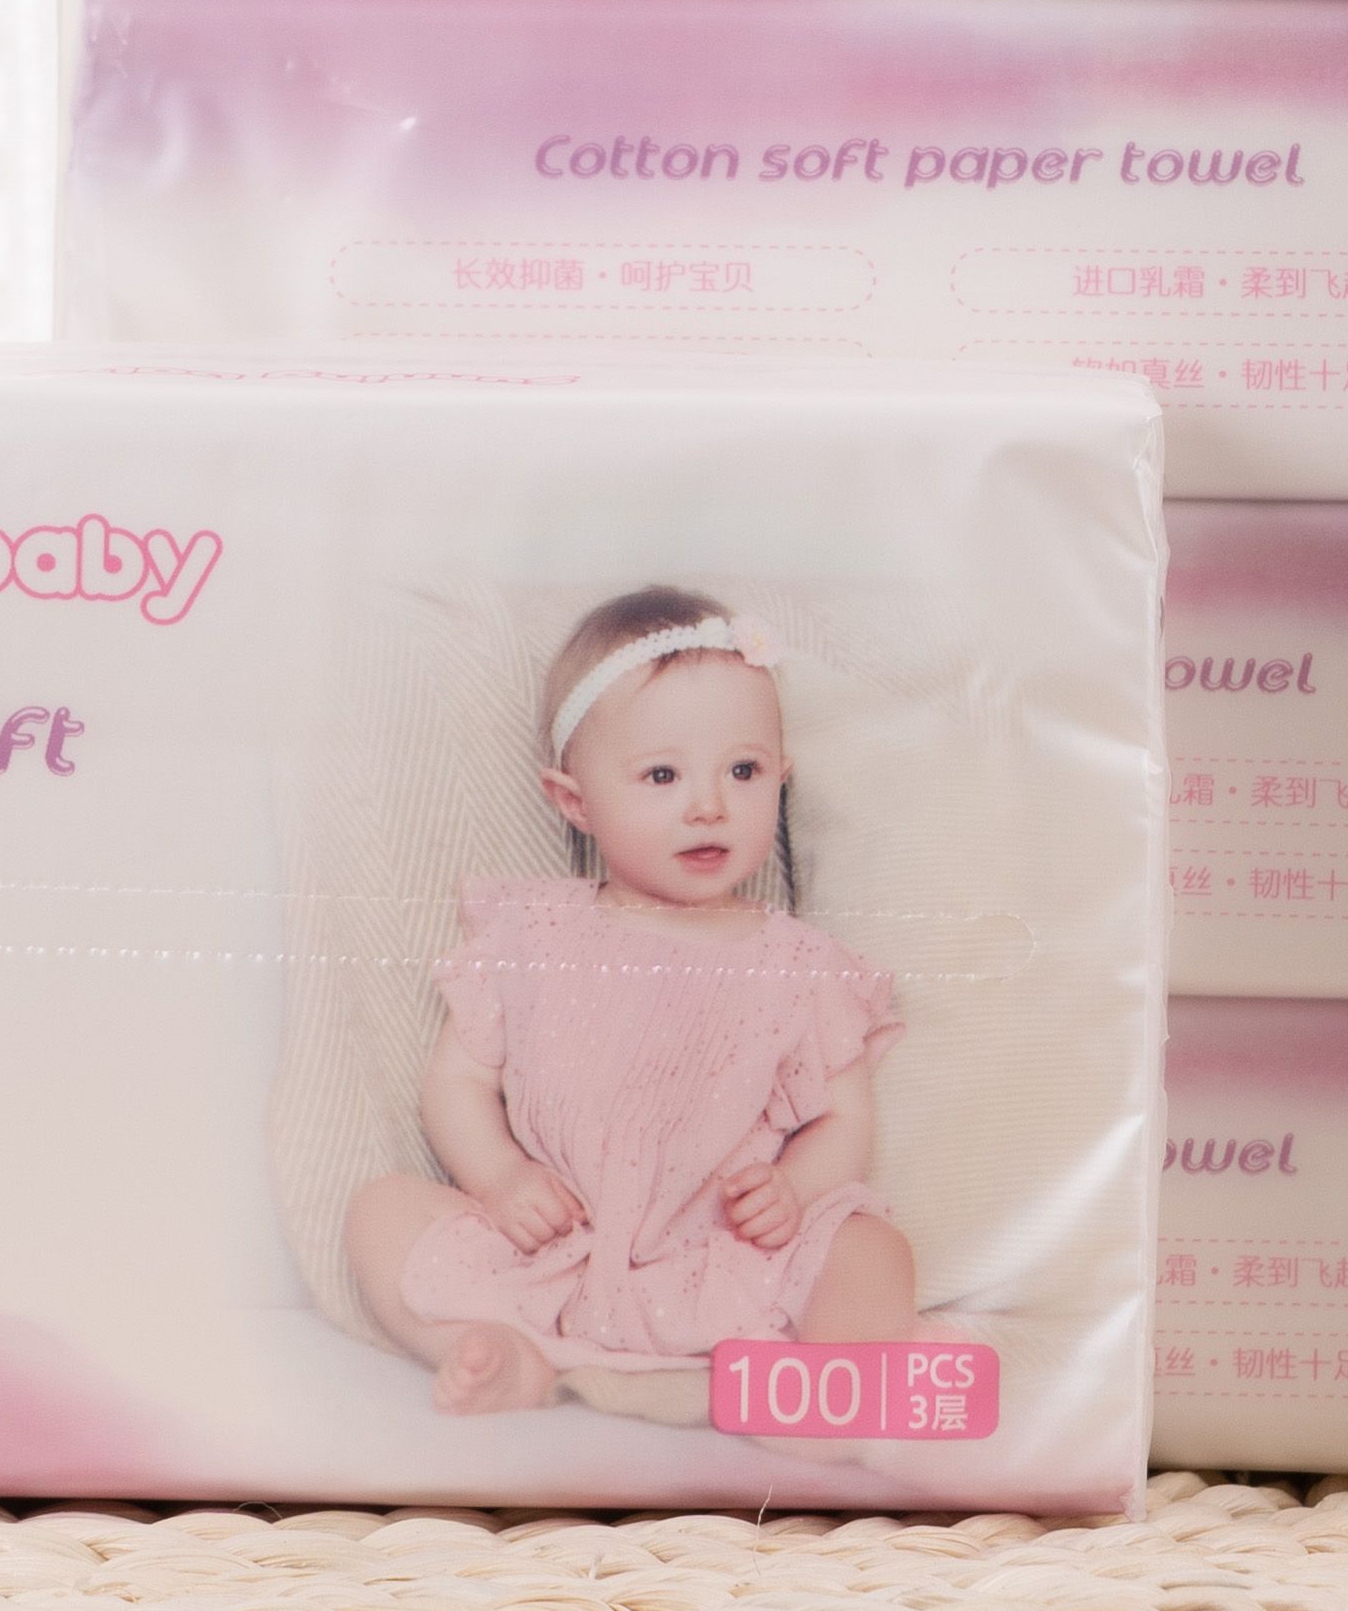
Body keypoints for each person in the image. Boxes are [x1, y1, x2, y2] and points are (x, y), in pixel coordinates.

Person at [338, 587, 916, 1426]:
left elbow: (845, 1118)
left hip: (721, 1252)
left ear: (780, 778)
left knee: (870, 1249)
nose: (709, 804)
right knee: (380, 1213)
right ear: (575, 801)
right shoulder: (530, 934)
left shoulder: (801, 965)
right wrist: (500, 1177)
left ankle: (817, 1407)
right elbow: (458, 1081)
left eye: (744, 771)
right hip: (553, 1248)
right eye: (662, 775)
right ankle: (501, 1354)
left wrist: (795, 1187)